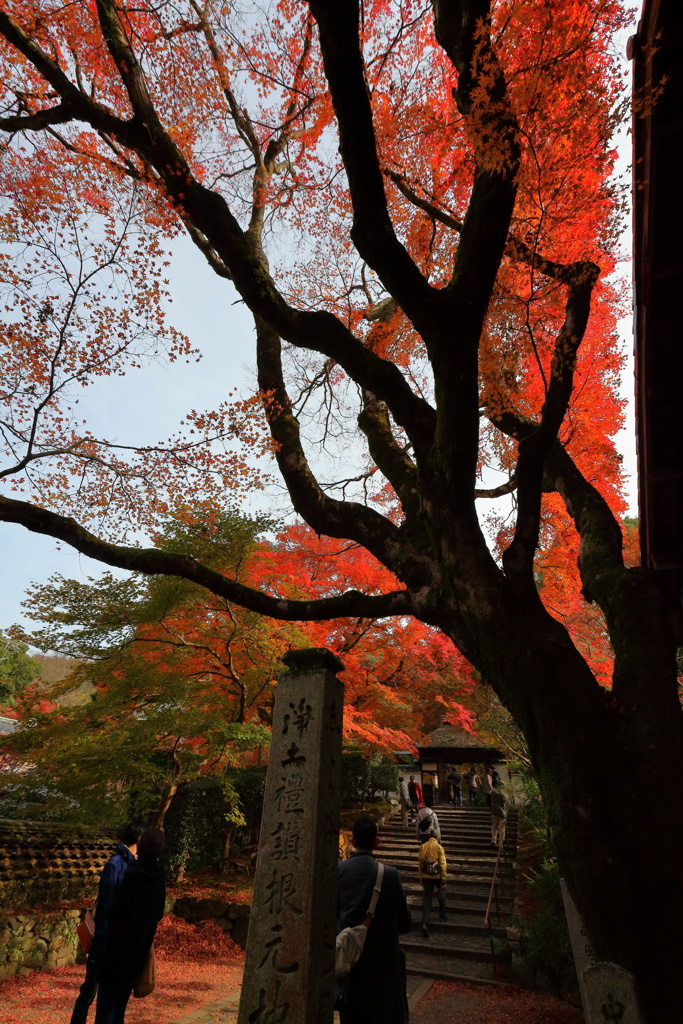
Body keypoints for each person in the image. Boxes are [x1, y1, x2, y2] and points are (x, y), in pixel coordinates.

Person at [337, 815, 411, 1024]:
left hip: (350, 968)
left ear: (352, 841)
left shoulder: (339, 872)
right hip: (384, 969)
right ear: (376, 841)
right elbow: (405, 923)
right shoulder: (390, 875)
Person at [70, 823, 143, 1024]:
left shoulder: (134, 864)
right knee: (89, 992)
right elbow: (106, 908)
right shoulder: (116, 864)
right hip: (105, 943)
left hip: (116, 945)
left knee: (106, 999)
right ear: (138, 839)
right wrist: (100, 947)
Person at [94, 827, 166, 1024]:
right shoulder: (159, 879)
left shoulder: (133, 872)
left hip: (115, 951)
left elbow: (113, 911)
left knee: (105, 1013)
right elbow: (158, 914)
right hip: (136, 955)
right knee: (119, 1011)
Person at [418, 821, 447, 938]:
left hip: (426, 876)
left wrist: (421, 879)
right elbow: (443, 864)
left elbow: (420, 863)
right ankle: (442, 916)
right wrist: (444, 880)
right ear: (437, 837)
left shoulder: (423, 846)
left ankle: (425, 923)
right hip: (437, 876)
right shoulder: (439, 848)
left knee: (427, 899)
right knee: (442, 893)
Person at [490, 780, 507, 848]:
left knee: (494, 827)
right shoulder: (504, 794)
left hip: (495, 811)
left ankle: (493, 841)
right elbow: (506, 803)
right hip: (502, 813)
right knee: (502, 829)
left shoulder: (493, 793)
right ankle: (501, 843)